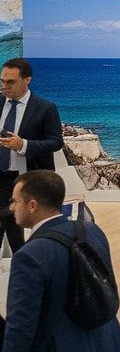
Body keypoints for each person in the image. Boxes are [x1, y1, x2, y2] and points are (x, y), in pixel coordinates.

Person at [0, 170, 120, 352]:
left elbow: (21, 325)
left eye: (15, 201)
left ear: (32, 205)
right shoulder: (91, 231)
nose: (11, 208)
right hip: (93, 349)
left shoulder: (29, 255)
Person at [0, 58, 64, 252]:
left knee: (18, 231)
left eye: (10, 82)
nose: (4, 86)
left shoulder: (45, 108)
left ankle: (24, 267)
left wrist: (24, 145)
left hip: (28, 179)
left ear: (27, 80)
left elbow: (56, 142)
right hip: (0, 177)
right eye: (2, 81)